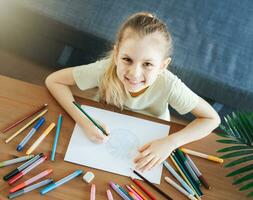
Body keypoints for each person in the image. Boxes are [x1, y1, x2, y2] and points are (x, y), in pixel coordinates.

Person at [45, 12, 220, 172]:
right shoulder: (105, 69)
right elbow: (54, 80)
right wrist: (83, 121)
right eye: (127, 59)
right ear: (116, 54)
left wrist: (171, 142)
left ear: (162, 66)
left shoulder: (169, 84)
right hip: (103, 135)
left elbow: (212, 119)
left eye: (148, 64)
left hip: (151, 141)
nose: (134, 73)